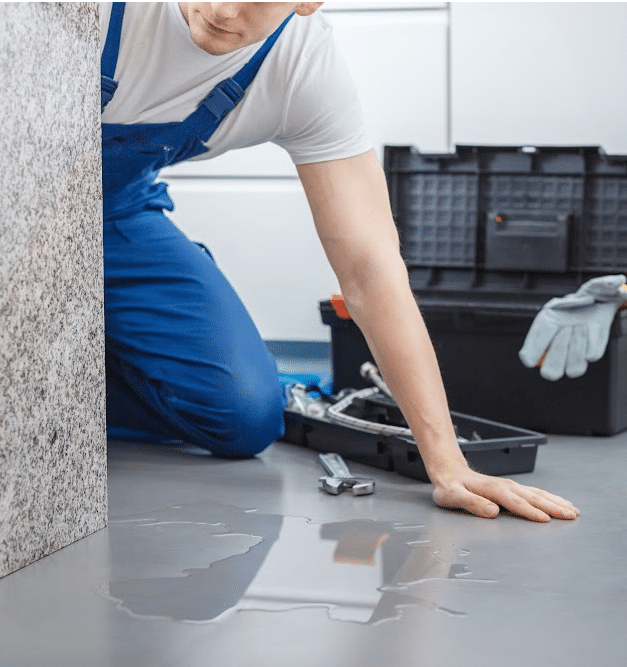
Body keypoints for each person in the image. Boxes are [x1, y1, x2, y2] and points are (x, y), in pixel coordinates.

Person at [100, 2, 580, 523]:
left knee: (244, 417)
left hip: (115, 212)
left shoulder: (303, 70)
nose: (221, 7)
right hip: (8, 194)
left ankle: (87, 373)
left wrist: (447, 465)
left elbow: (371, 271)